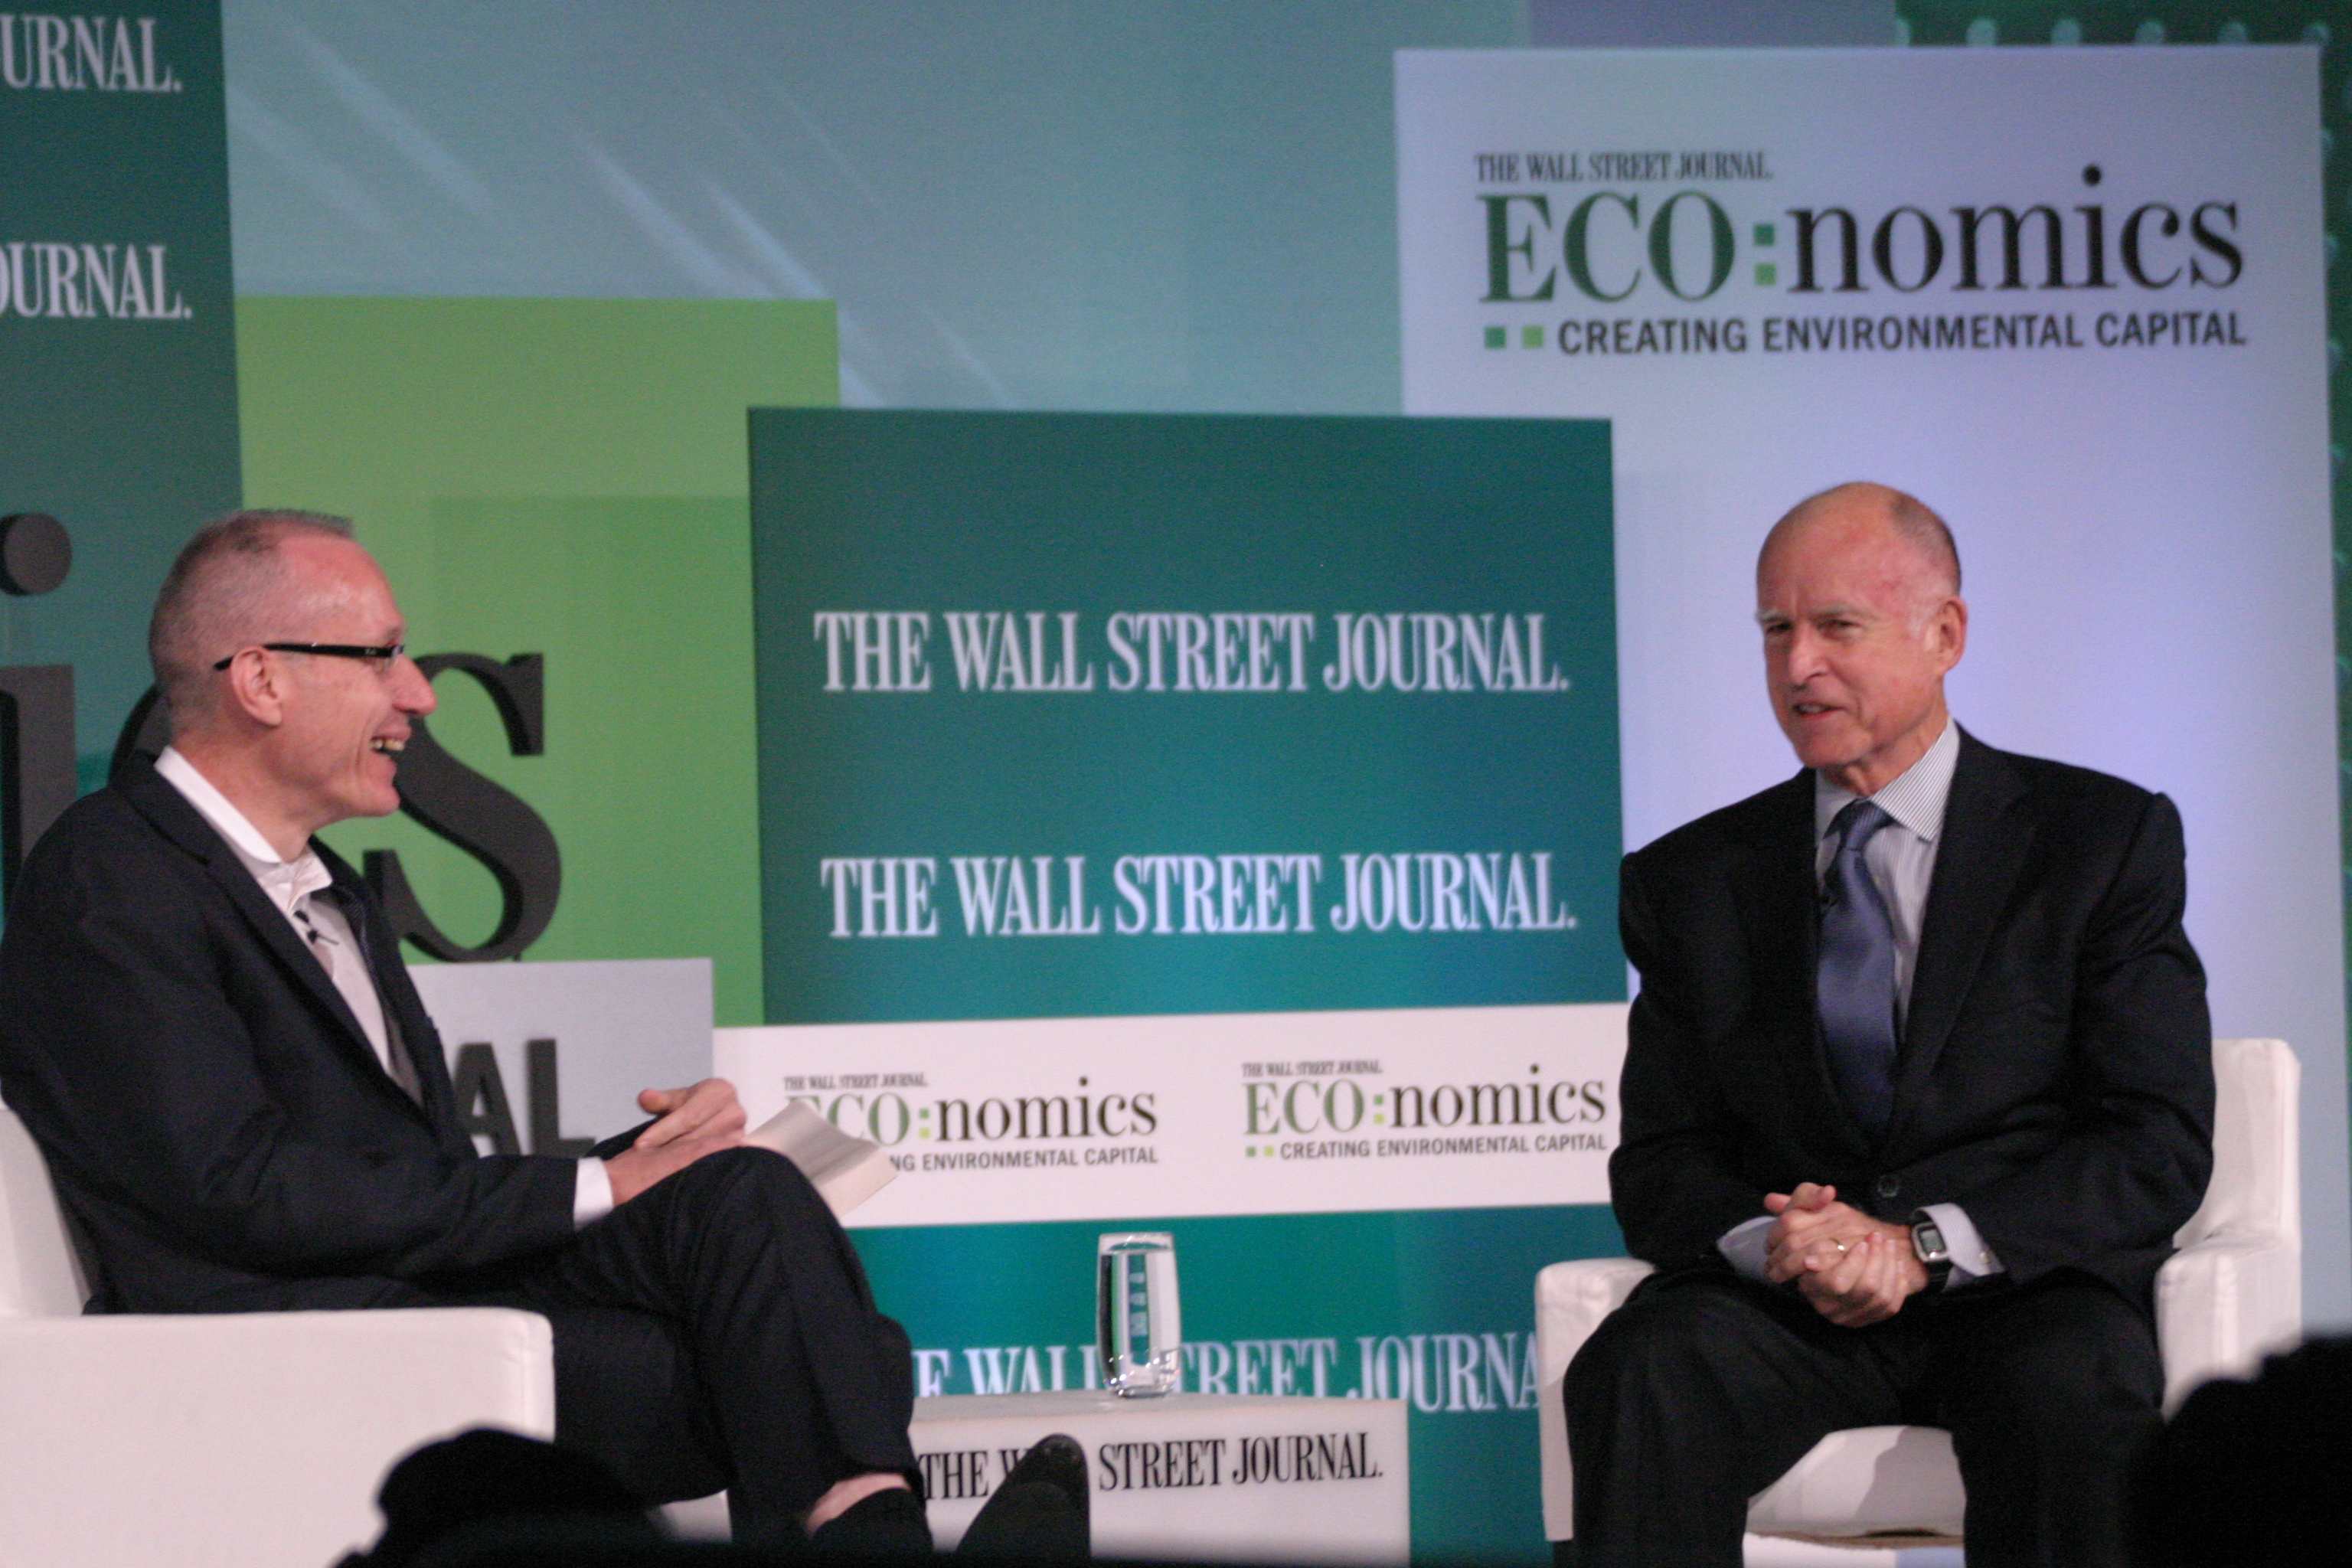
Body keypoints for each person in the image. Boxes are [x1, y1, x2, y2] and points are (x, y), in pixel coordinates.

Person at [0, 511, 941, 1551]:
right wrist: (594, 1186)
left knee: (740, 1190)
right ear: (261, 680)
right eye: (381, 656)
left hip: (409, 1283)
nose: (421, 692)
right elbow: (235, 1188)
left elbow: (415, 1174)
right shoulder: (113, 874)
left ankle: (862, 1525)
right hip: (275, 1334)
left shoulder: (332, 888)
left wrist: (652, 1160)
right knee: (834, 1363)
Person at [1563, 483, 2214, 1568]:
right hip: (1793, 1309)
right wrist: (1778, 1242)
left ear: (1944, 634)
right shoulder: (1690, 880)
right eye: (1776, 629)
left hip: (2022, 1291)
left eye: (1837, 626)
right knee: (1643, 1368)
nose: (1798, 665)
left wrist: (1923, 1246)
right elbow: (1663, 1164)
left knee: (2075, 1394)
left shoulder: (2097, 840)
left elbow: (2155, 1141)